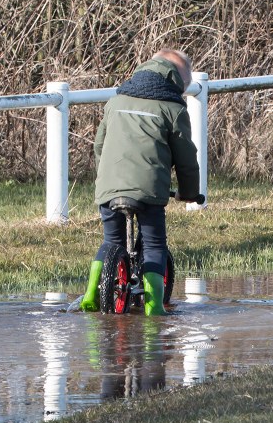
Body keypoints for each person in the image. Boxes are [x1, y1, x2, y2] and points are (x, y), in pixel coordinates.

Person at [80, 48, 201, 316]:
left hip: (109, 187)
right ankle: (154, 306)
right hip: (149, 191)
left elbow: (99, 146)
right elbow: (186, 159)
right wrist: (189, 193)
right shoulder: (172, 108)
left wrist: (106, 178)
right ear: (177, 80)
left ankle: (90, 295)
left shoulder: (116, 101)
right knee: (154, 244)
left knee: (111, 241)